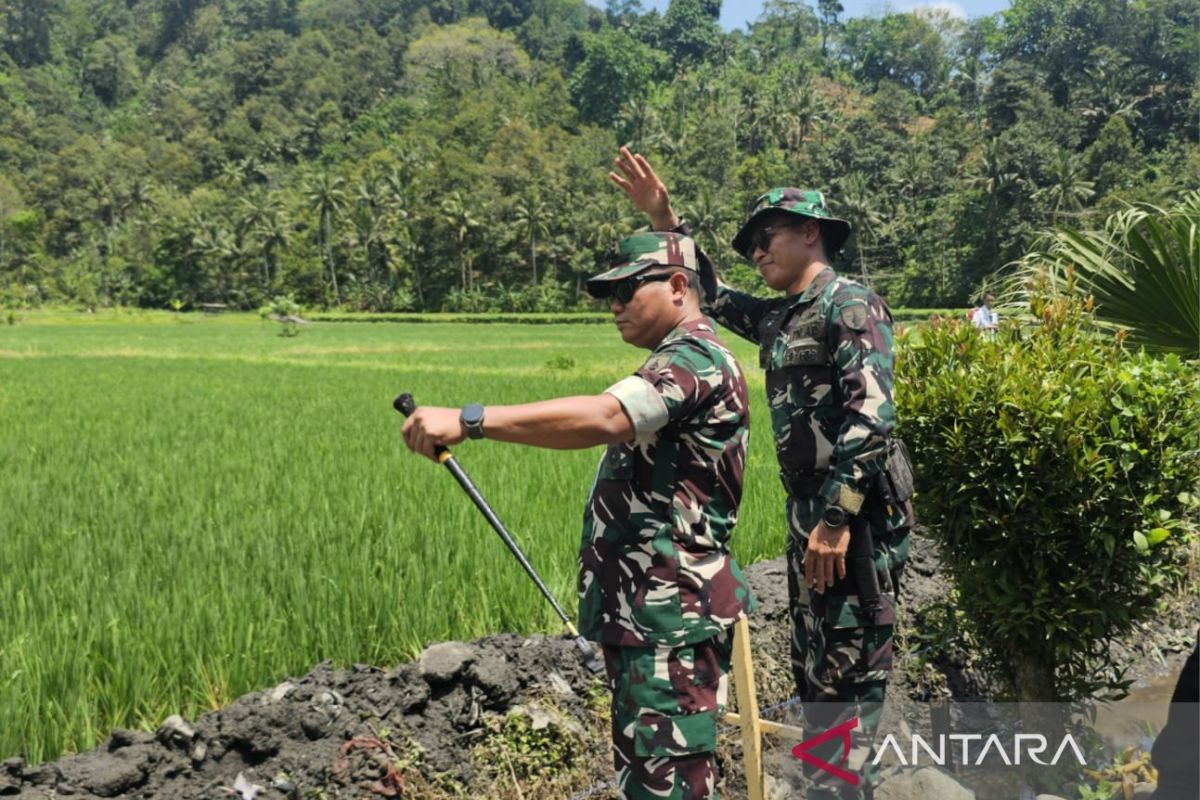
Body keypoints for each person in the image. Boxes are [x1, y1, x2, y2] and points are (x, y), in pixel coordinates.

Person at [401, 232, 756, 800]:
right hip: (646, 617)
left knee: (669, 785)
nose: (613, 306)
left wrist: (470, 419)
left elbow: (605, 416)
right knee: (649, 776)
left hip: (669, 619)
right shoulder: (675, 359)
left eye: (625, 289)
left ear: (678, 286)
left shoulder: (696, 358)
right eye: (606, 295)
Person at [611, 148, 913, 800]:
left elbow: (872, 415)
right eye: (748, 244)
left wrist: (837, 518)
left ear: (811, 232)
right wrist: (666, 218)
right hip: (811, 515)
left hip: (852, 523)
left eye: (764, 236)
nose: (756, 252)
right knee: (817, 674)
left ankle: (839, 789)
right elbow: (707, 290)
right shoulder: (780, 315)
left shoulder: (850, 307)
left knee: (848, 679)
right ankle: (828, 786)